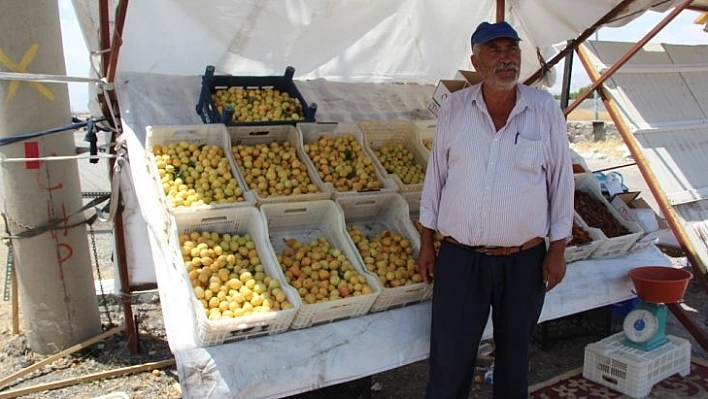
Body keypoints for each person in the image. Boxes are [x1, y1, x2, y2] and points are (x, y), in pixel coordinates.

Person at [417, 21, 575, 399]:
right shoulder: (455, 108)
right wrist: (426, 241)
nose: (506, 57)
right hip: (460, 257)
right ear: (476, 60)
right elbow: (436, 176)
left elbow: (561, 183)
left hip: (525, 260)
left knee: (514, 358)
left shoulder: (544, 109)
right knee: (449, 359)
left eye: (512, 49)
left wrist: (557, 251)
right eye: (494, 50)